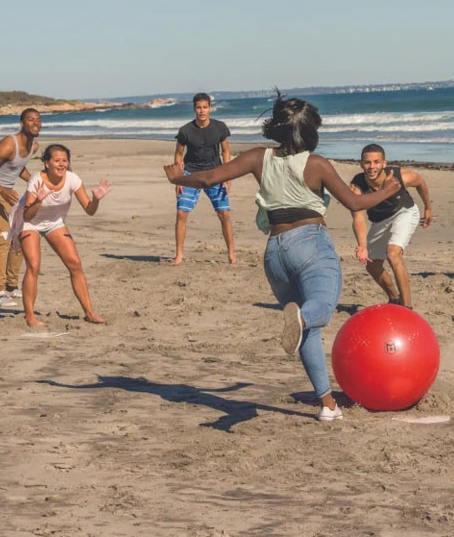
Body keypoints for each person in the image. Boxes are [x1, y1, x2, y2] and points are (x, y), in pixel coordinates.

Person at [164, 92, 400, 422]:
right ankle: (302, 319)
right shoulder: (316, 163)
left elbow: (209, 177)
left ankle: (327, 404)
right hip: (310, 244)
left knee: (306, 330)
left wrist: (178, 178)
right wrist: (389, 189)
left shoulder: (259, 158)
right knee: (319, 310)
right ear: (309, 131)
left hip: (274, 254)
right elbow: (356, 203)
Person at [17, 144, 112, 328]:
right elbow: (27, 215)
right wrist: (38, 200)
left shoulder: (72, 179)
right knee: (34, 266)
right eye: (57, 160)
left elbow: (89, 210)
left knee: (75, 264)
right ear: (46, 163)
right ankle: (30, 316)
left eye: (64, 161)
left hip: (55, 223)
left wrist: (96, 200)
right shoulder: (36, 180)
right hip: (29, 222)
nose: (61, 164)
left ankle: (90, 313)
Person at [349, 144, 432, 309]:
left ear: (384, 164)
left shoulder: (400, 176)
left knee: (393, 254)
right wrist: (362, 245)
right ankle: (394, 299)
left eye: (376, 162)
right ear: (361, 164)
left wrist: (428, 207)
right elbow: (358, 218)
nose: (372, 167)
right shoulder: (357, 186)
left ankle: (407, 308)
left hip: (404, 212)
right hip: (379, 221)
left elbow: (420, 182)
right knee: (371, 263)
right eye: (367, 162)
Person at [0, 108, 41, 308]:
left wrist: (36, 182)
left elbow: (18, 167)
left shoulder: (33, 146)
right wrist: (2, 190)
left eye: (38, 119)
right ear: (22, 123)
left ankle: (11, 286)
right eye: (30, 120)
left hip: (4, 194)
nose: (35, 123)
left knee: (20, 235)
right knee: (3, 236)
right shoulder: (8, 144)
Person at [172, 93, 236, 265]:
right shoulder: (185, 131)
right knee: (181, 213)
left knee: (224, 214)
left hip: (214, 172)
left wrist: (227, 174)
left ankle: (231, 254)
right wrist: (178, 179)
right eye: (199, 107)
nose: (202, 111)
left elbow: (226, 151)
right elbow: (178, 155)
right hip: (191, 174)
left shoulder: (219, 127)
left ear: (210, 108)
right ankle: (179, 255)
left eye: (205, 107)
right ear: (194, 109)